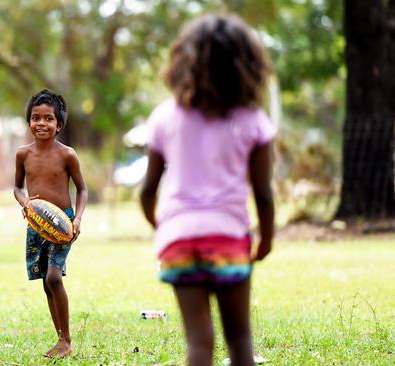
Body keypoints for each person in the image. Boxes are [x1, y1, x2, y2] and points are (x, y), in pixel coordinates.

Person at [139, 14, 275, 366]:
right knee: (239, 338)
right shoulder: (252, 120)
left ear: (183, 62)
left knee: (199, 343)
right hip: (228, 239)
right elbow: (263, 193)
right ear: (246, 65)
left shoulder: (164, 117)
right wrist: (267, 239)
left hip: (178, 241)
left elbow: (148, 189)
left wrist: (161, 224)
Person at [14, 88, 88, 358]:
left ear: (59, 125)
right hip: (36, 224)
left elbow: (82, 190)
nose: (41, 123)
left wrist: (77, 218)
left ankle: (66, 341)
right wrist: (25, 203)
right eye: (35, 118)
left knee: (54, 277)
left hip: (63, 223)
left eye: (48, 118)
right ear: (29, 121)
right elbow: (17, 188)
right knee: (46, 283)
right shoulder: (23, 154)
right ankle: (60, 339)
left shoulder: (67, 154)